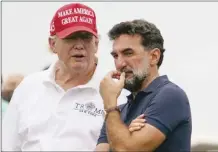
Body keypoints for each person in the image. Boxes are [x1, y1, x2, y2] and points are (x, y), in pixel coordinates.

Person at [2, 3, 129, 151]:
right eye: (71, 38)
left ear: (96, 43)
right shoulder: (29, 87)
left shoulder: (119, 92)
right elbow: (7, 145)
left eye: (86, 38)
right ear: (53, 44)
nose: (79, 45)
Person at [95, 19, 192, 152]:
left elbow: (125, 149)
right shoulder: (118, 112)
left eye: (128, 53)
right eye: (115, 56)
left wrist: (110, 106)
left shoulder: (171, 95)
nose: (120, 64)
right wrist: (125, 133)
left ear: (154, 56)